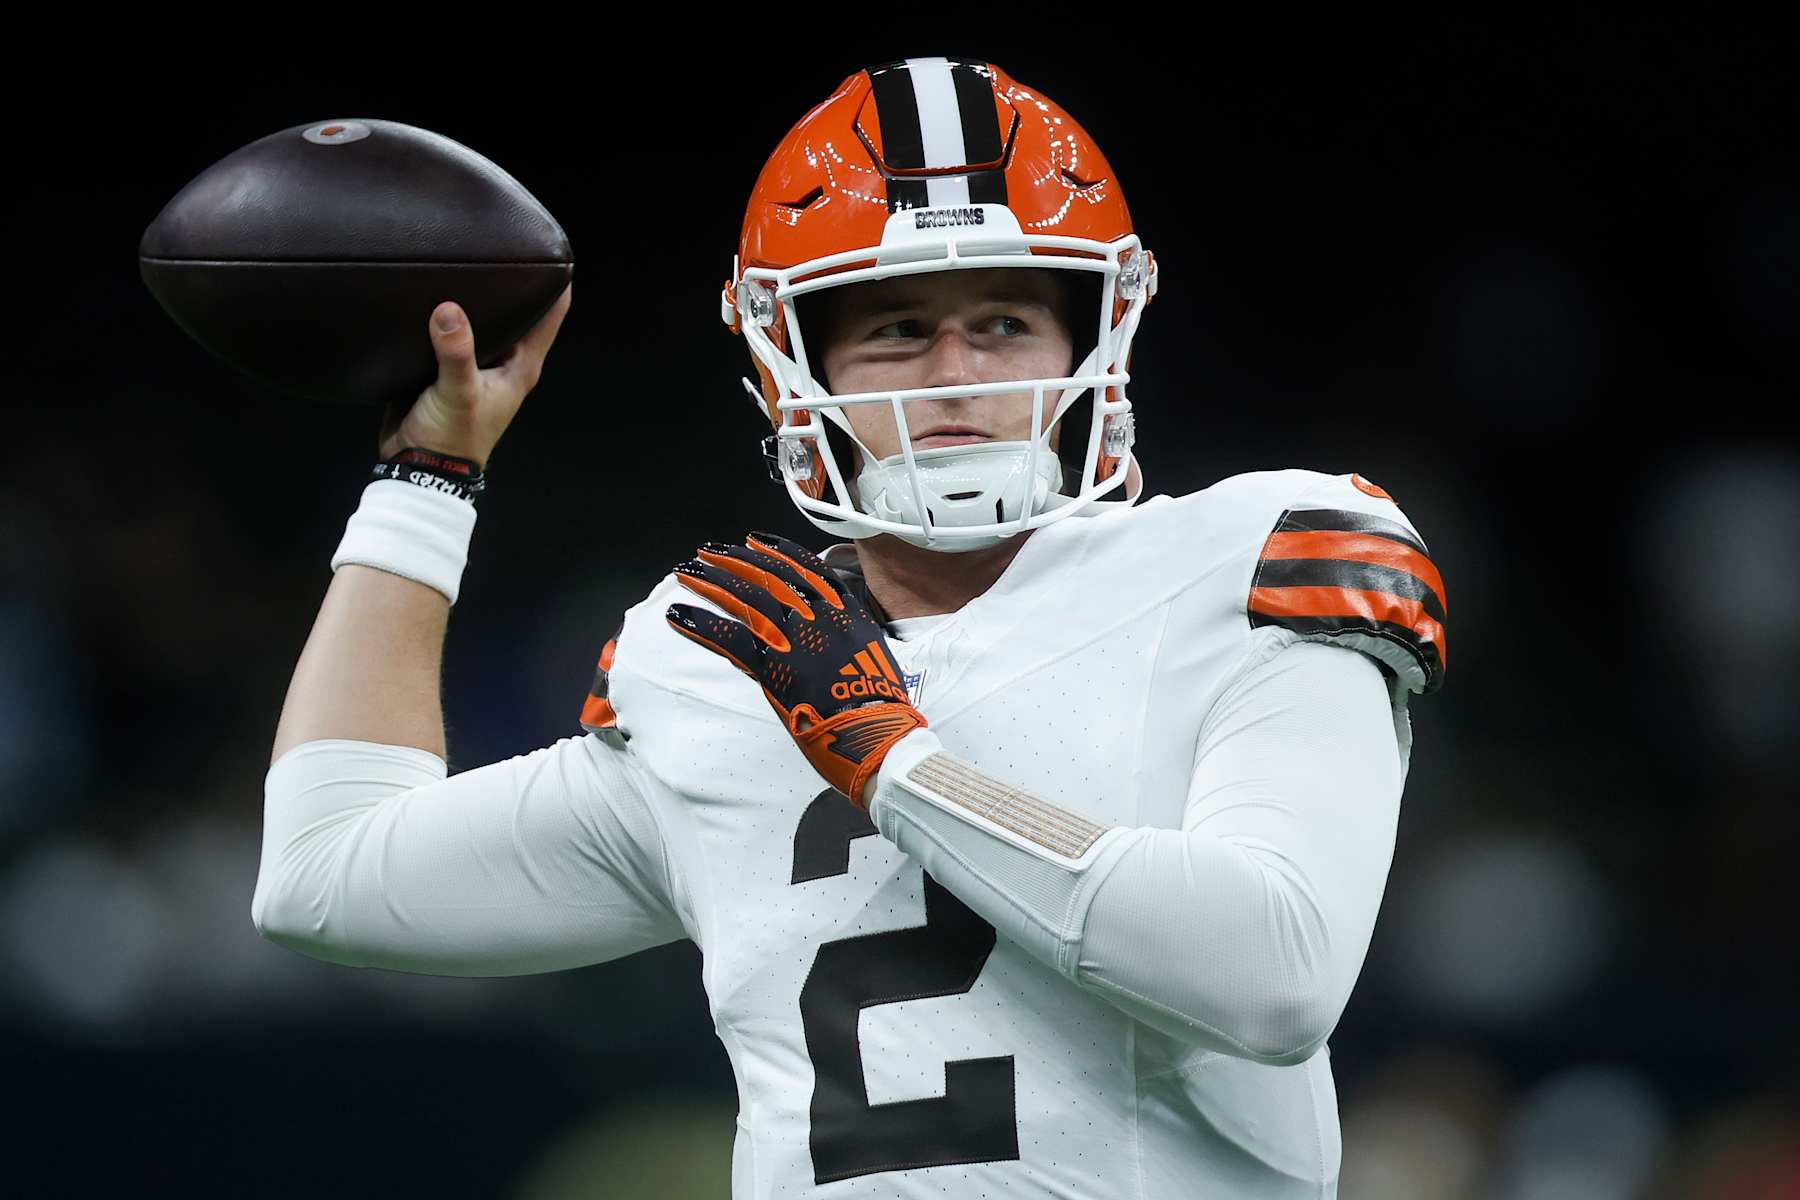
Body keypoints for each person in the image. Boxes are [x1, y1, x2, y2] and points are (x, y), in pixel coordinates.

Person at [253, 57, 1448, 1198]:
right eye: (894, 331)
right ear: (789, 362)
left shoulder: (1245, 559)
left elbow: (1278, 974)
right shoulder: (727, 656)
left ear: (1095, 340)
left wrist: (892, 761)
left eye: (1002, 324)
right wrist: (428, 481)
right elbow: (326, 879)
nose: (953, 377)